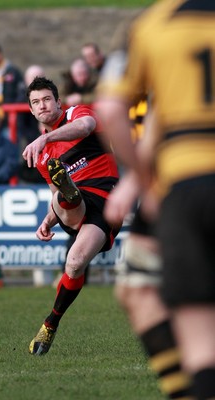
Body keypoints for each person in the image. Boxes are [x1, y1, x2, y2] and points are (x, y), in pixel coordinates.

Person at [95, 1, 215, 399]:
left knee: (197, 335)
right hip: (173, 172)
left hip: (182, 184)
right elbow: (163, 107)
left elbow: (110, 109)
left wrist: (142, 181)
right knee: (137, 289)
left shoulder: (150, 26)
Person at [22, 77, 121, 355]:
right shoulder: (43, 158)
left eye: (46, 99)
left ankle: (51, 322)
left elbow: (87, 126)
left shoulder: (76, 114)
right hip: (74, 208)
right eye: (35, 102)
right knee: (61, 199)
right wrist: (46, 220)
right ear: (30, 110)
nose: (42, 105)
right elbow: (53, 196)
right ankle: (50, 325)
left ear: (58, 102)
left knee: (75, 264)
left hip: (107, 198)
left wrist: (46, 137)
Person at [17, 64, 46, 184]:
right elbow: (20, 125)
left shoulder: (53, 95)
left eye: (39, 78)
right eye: (33, 78)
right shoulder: (20, 98)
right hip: (31, 140)